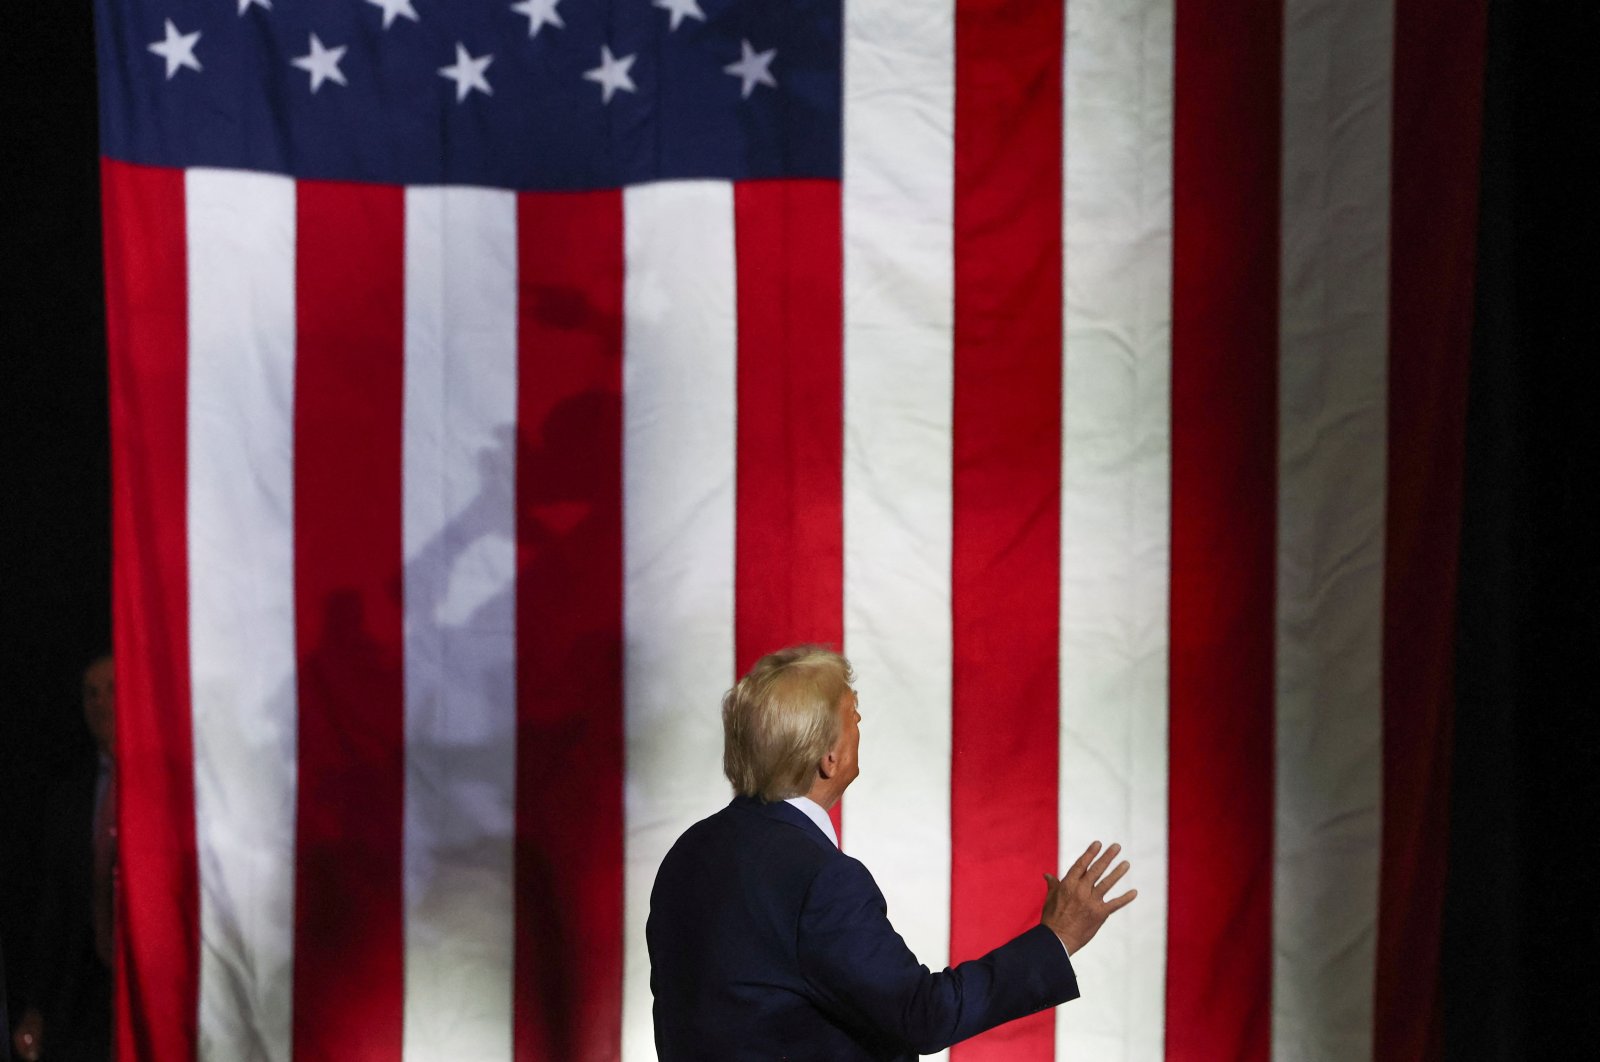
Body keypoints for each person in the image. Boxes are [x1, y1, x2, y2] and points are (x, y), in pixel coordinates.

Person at [647, 646, 1136, 1059]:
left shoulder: (686, 856)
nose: (860, 725)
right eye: (853, 717)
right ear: (828, 757)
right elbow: (921, 1016)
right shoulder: (820, 879)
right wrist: (1058, 938)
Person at [12, 654, 116, 1062]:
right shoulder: (70, 798)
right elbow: (53, 910)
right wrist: (35, 1007)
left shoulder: (168, 786)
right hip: (85, 991)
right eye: (90, 694)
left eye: (111, 690)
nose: (100, 702)